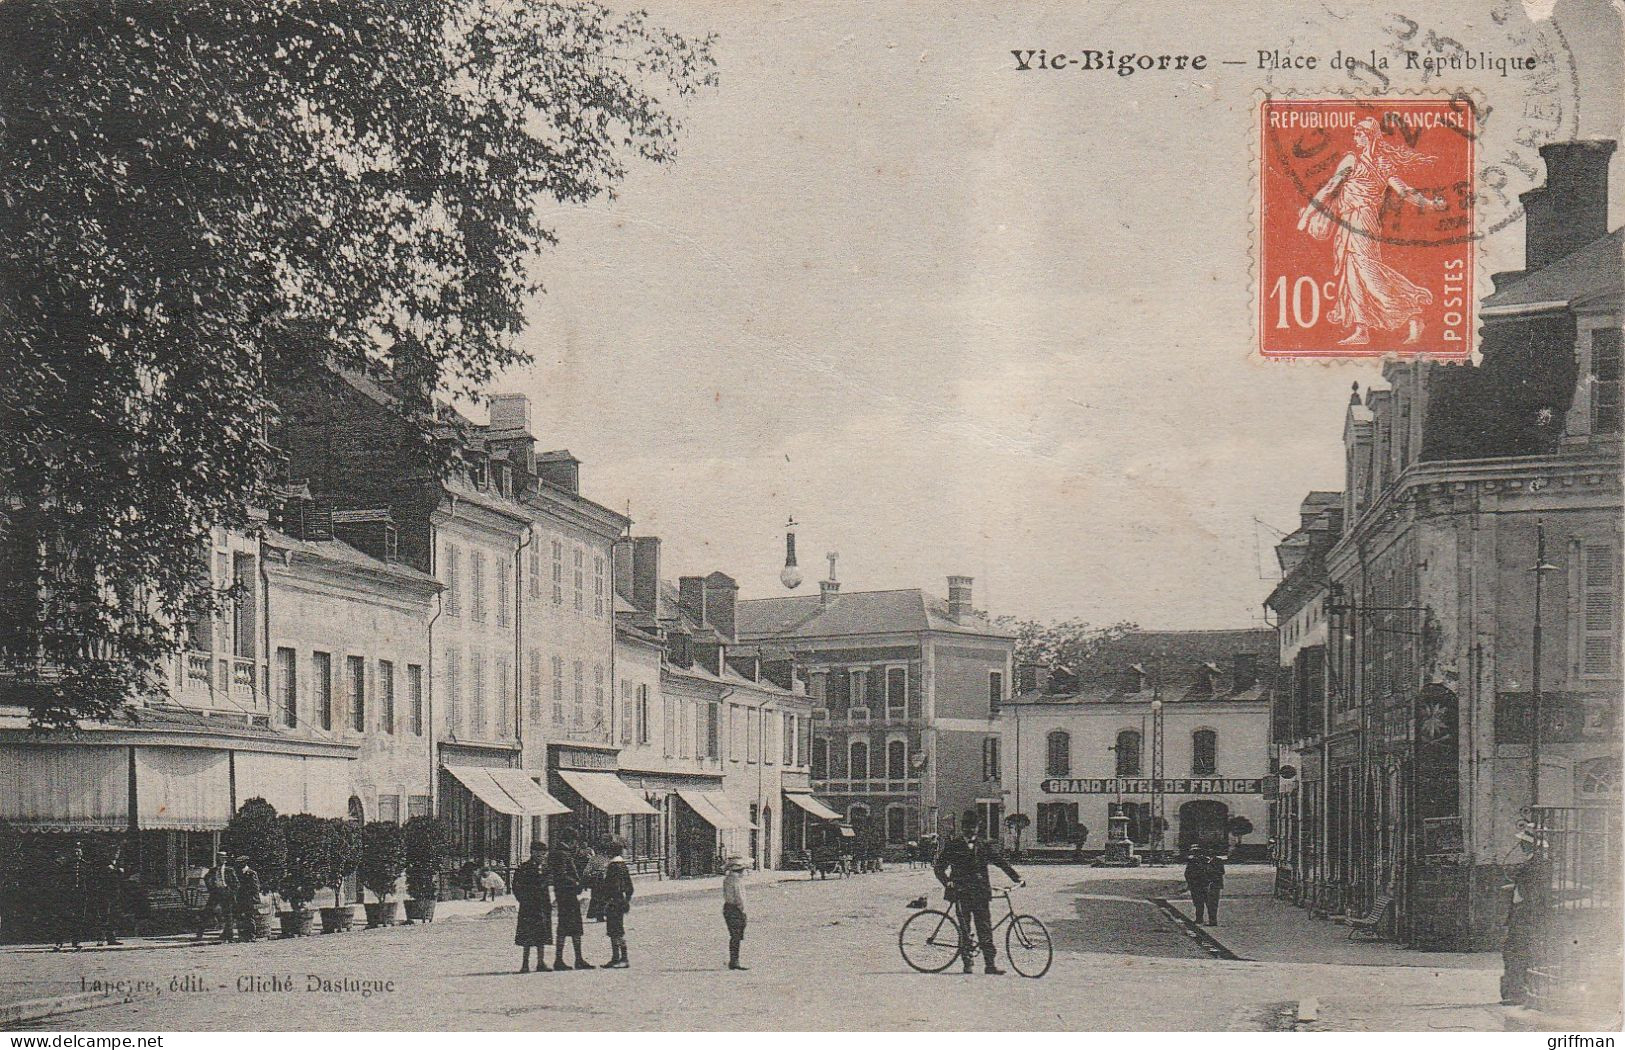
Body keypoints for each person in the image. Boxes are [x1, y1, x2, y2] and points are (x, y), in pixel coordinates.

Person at [1295, 116, 1448, 346]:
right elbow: (1330, 188)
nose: (1355, 138)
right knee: (1352, 275)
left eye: (1359, 134)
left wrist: (1429, 204)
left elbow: (1404, 191)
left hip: (1364, 221)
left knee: (1368, 273)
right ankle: (1361, 329)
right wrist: (1308, 214)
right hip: (1349, 221)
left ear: (1369, 137)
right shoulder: (1351, 160)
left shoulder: (1377, 163)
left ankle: (1413, 312)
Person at [934, 810, 1022, 975]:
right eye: (967, 827)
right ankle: (967, 963)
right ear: (962, 828)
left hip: (981, 894)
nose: (970, 830)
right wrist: (948, 883)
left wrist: (1016, 877)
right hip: (961, 894)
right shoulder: (954, 845)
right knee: (965, 929)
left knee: (985, 929)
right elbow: (938, 868)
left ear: (977, 827)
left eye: (973, 827)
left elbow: (1000, 862)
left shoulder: (984, 845)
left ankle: (990, 965)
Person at [1501, 831, 1553, 1005]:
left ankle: (1516, 993)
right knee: (1519, 951)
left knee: (1515, 952)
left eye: (1524, 841)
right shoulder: (1538, 863)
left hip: (1524, 914)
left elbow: (1527, 893)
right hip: (1524, 914)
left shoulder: (1533, 865)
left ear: (1530, 844)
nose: (1521, 844)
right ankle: (1518, 991)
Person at [547, 828, 594, 970]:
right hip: (567, 894)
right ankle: (571, 960)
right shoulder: (562, 854)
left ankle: (565, 959)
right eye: (575, 842)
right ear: (572, 840)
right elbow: (561, 875)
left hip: (563, 894)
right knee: (573, 926)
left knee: (566, 926)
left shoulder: (557, 852)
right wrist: (577, 883)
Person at [512, 841, 552, 973]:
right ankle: (525, 964)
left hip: (542, 906)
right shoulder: (524, 868)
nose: (542, 855)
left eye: (544, 852)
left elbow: (547, 884)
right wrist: (523, 899)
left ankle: (541, 962)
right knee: (527, 936)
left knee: (542, 934)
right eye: (539, 852)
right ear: (532, 852)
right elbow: (516, 886)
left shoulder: (546, 868)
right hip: (529, 906)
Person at [600, 837, 634, 968]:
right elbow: (630, 888)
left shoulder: (613, 867)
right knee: (616, 929)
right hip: (620, 900)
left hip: (613, 901)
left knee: (615, 930)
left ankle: (622, 958)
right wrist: (626, 901)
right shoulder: (623, 866)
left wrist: (607, 900)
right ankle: (616, 958)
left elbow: (612, 886)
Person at [53, 841, 88, 951]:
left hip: (80, 895)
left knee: (78, 919)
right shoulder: (67, 866)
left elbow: (89, 881)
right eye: (76, 852)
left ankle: (76, 941)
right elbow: (61, 880)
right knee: (64, 918)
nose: (77, 854)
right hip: (68, 894)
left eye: (79, 851)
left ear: (82, 853)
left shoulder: (85, 865)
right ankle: (59, 942)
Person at [198, 854, 238, 942]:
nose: (221, 860)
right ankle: (199, 934)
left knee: (228, 915)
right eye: (220, 858)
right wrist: (211, 888)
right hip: (216, 893)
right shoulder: (213, 870)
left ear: (225, 860)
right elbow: (206, 878)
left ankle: (229, 936)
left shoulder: (229, 870)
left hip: (226, 893)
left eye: (223, 858)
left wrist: (230, 891)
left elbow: (236, 883)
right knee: (207, 912)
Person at [723, 854, 748, 971]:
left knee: (734, 935)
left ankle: (734, 960)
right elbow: (740, 898)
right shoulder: (737, 880)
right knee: (736, 935)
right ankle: (734, 961)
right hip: (735, 909)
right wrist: (743, 910)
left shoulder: (727, 879)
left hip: (727, 907)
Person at [1199, 844, 1228, 926]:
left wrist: (1211, 872)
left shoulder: (1218, 861)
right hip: (1206, 884)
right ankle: (1211, 919)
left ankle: (1213, 921)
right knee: (1208, 903)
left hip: (1215, 884)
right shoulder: (1204, 861)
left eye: (1212, 851)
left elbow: (1222, 871)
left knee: (1213, 903)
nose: (1210, 853)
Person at [234, 856, 262, 942]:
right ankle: (243, 936)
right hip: (240, 898)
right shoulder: (238, 873)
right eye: (238, 863)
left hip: (249, 899)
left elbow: (256, 887)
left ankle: (252, 936)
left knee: (250, 917)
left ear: (245, 862)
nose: (239, 864)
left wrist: (253, 898)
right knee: (241, 917)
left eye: (241, 863)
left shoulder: (251, 873)